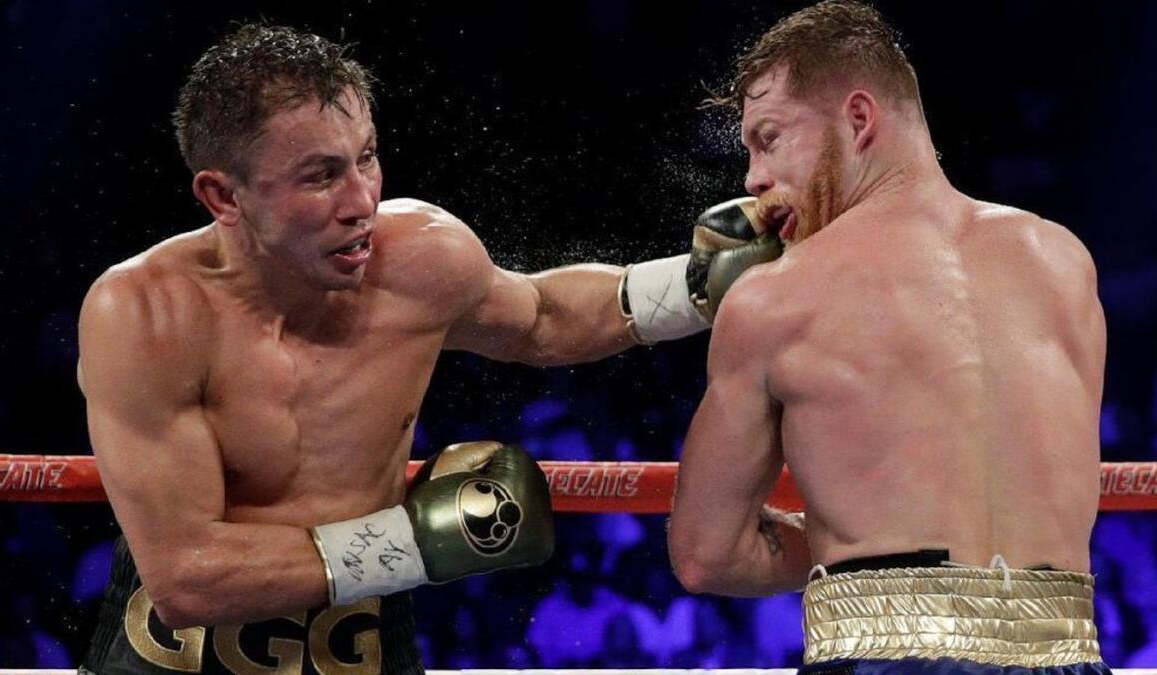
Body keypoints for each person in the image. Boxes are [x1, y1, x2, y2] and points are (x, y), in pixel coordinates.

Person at [76, 23, 776, 675]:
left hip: (362, 639)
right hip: (175, 656)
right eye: (320, 176)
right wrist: (415, 545)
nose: (361, 199)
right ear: (222, 195)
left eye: (368, 157)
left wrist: (692, 286)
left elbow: (540, 317)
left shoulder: (418, 258)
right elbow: (186, 574)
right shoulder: (146, 313)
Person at [667, 2, 1109, 674]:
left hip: (884, 655)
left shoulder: (776, 297)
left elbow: (706, 553)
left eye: (769, 138)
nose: (752, 179)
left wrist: (863, 545)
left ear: (858, 118)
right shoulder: (1063, 261)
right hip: (1069, 652)